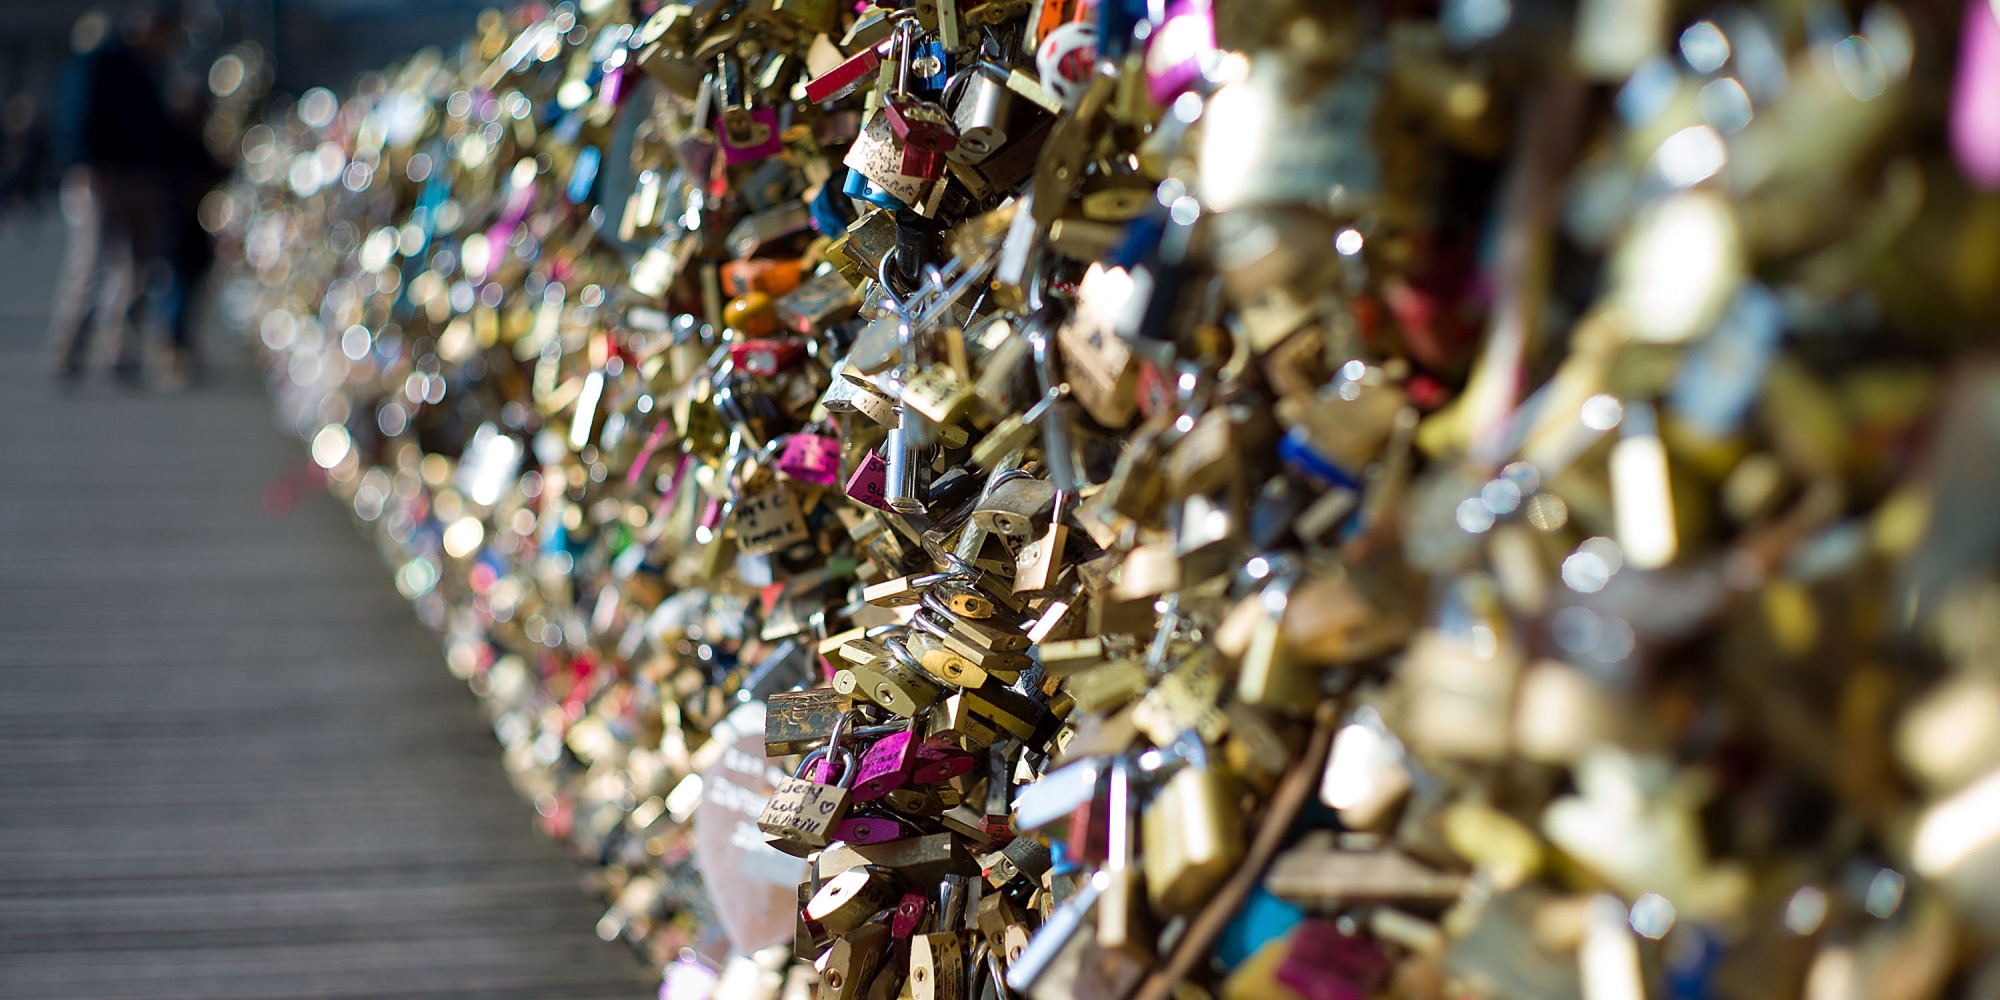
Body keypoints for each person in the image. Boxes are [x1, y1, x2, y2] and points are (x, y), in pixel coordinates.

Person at [45, 8, 180, 384]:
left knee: (138, 269)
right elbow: (76, 115)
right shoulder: (101, 59)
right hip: (103, 176)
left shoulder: (150, 67)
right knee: (91, 263)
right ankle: (68, 349)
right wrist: (85, 163)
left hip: (142, 177)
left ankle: (120, 350)